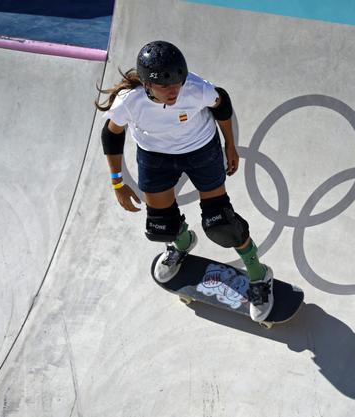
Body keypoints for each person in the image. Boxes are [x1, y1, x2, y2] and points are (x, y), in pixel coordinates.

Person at [95, 40, 273, 321]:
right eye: (165, 86)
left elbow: (222, 103)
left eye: (177, 83)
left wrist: (230, 144)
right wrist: (117, 183)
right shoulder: (130, 102)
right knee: (160, 227)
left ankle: (259, 276)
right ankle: (182, 243)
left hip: (201, 151)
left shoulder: (197, 88)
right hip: (155, 157)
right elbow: (111, 133)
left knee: (221, 224)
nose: (173, 91)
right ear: (146, 84)